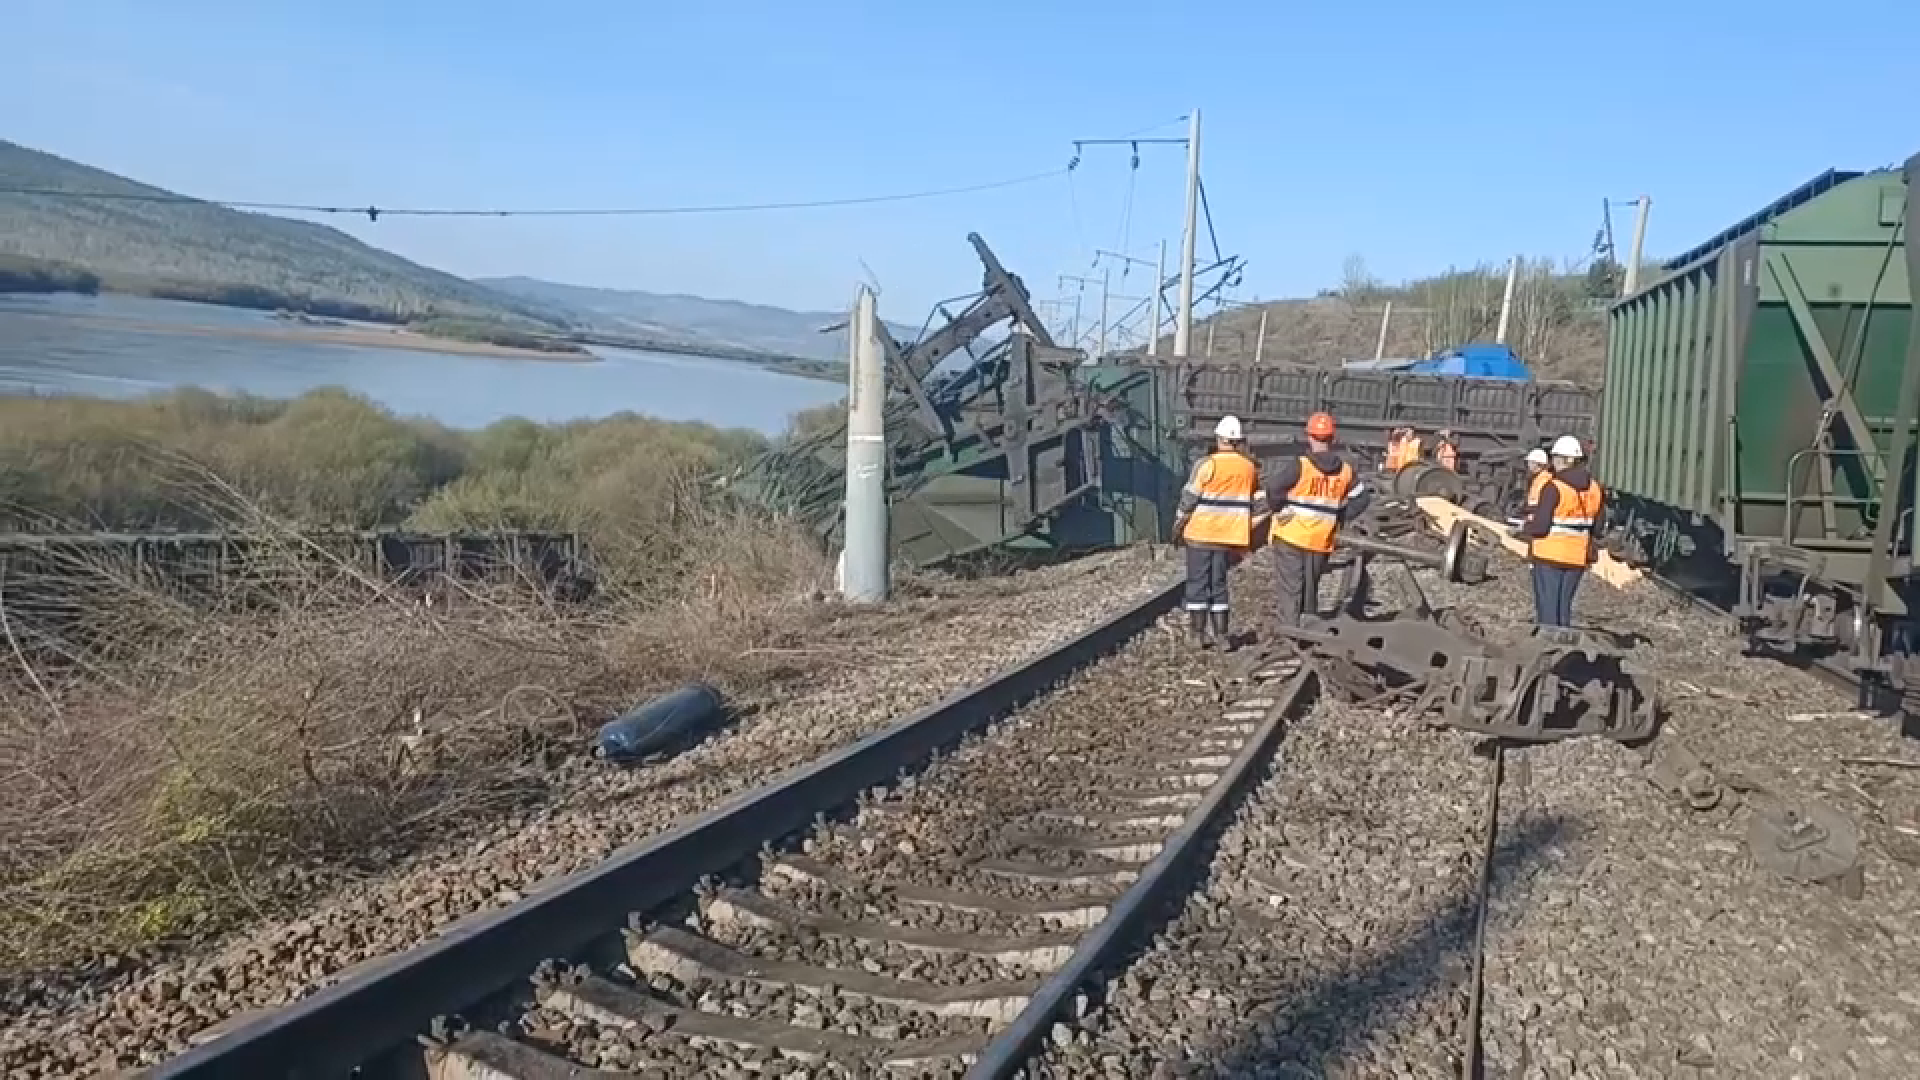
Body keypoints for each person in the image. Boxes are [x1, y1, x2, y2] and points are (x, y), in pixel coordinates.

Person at [1171, 415, 1269, 649]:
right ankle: (1222, 636)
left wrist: (1178, 524)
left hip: (1201, 535)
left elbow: (1188, 499)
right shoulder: (1249, 468)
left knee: (1197, 584)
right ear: (1238, 441)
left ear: (1218, 438)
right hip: (1228, 538)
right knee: (1219, 585)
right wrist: (1246, 528)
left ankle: (1197, 635)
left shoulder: (1207, 465)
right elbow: (1262, 505)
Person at [1268, 411, 1371, 628]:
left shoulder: (1300, 466)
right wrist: (1339, 517)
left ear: (1310, 437)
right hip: (1320, 540)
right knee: (1310, 588)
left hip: (1291, 536)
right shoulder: (1345, 471)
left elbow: (1273, 488)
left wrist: (1280, 508)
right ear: (1332, 439)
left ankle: (1291, 633)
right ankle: (1309, 628)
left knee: (1290, 589)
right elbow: (1362, 498)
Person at [1515, 434, 1603, 628]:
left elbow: (1541, 527)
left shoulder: (1553, 488)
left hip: (1549, 557)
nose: (1553, 462)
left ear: (1565, 460)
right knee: (1563, 610)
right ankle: (1564, 649)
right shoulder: (1595, 489)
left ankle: (1549, 651)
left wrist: (1523, 527)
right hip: (1577, 559)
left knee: (1547, 612)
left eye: (1555, 457)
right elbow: (1598, 528)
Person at [1507, 446, 1553, 528]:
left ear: (1538, 464)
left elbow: (1537, 504)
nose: (1528, 465)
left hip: (1535, 517)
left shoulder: (1543, 480)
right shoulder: (1538, 478)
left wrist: (1525, 513)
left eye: (1530, 462)